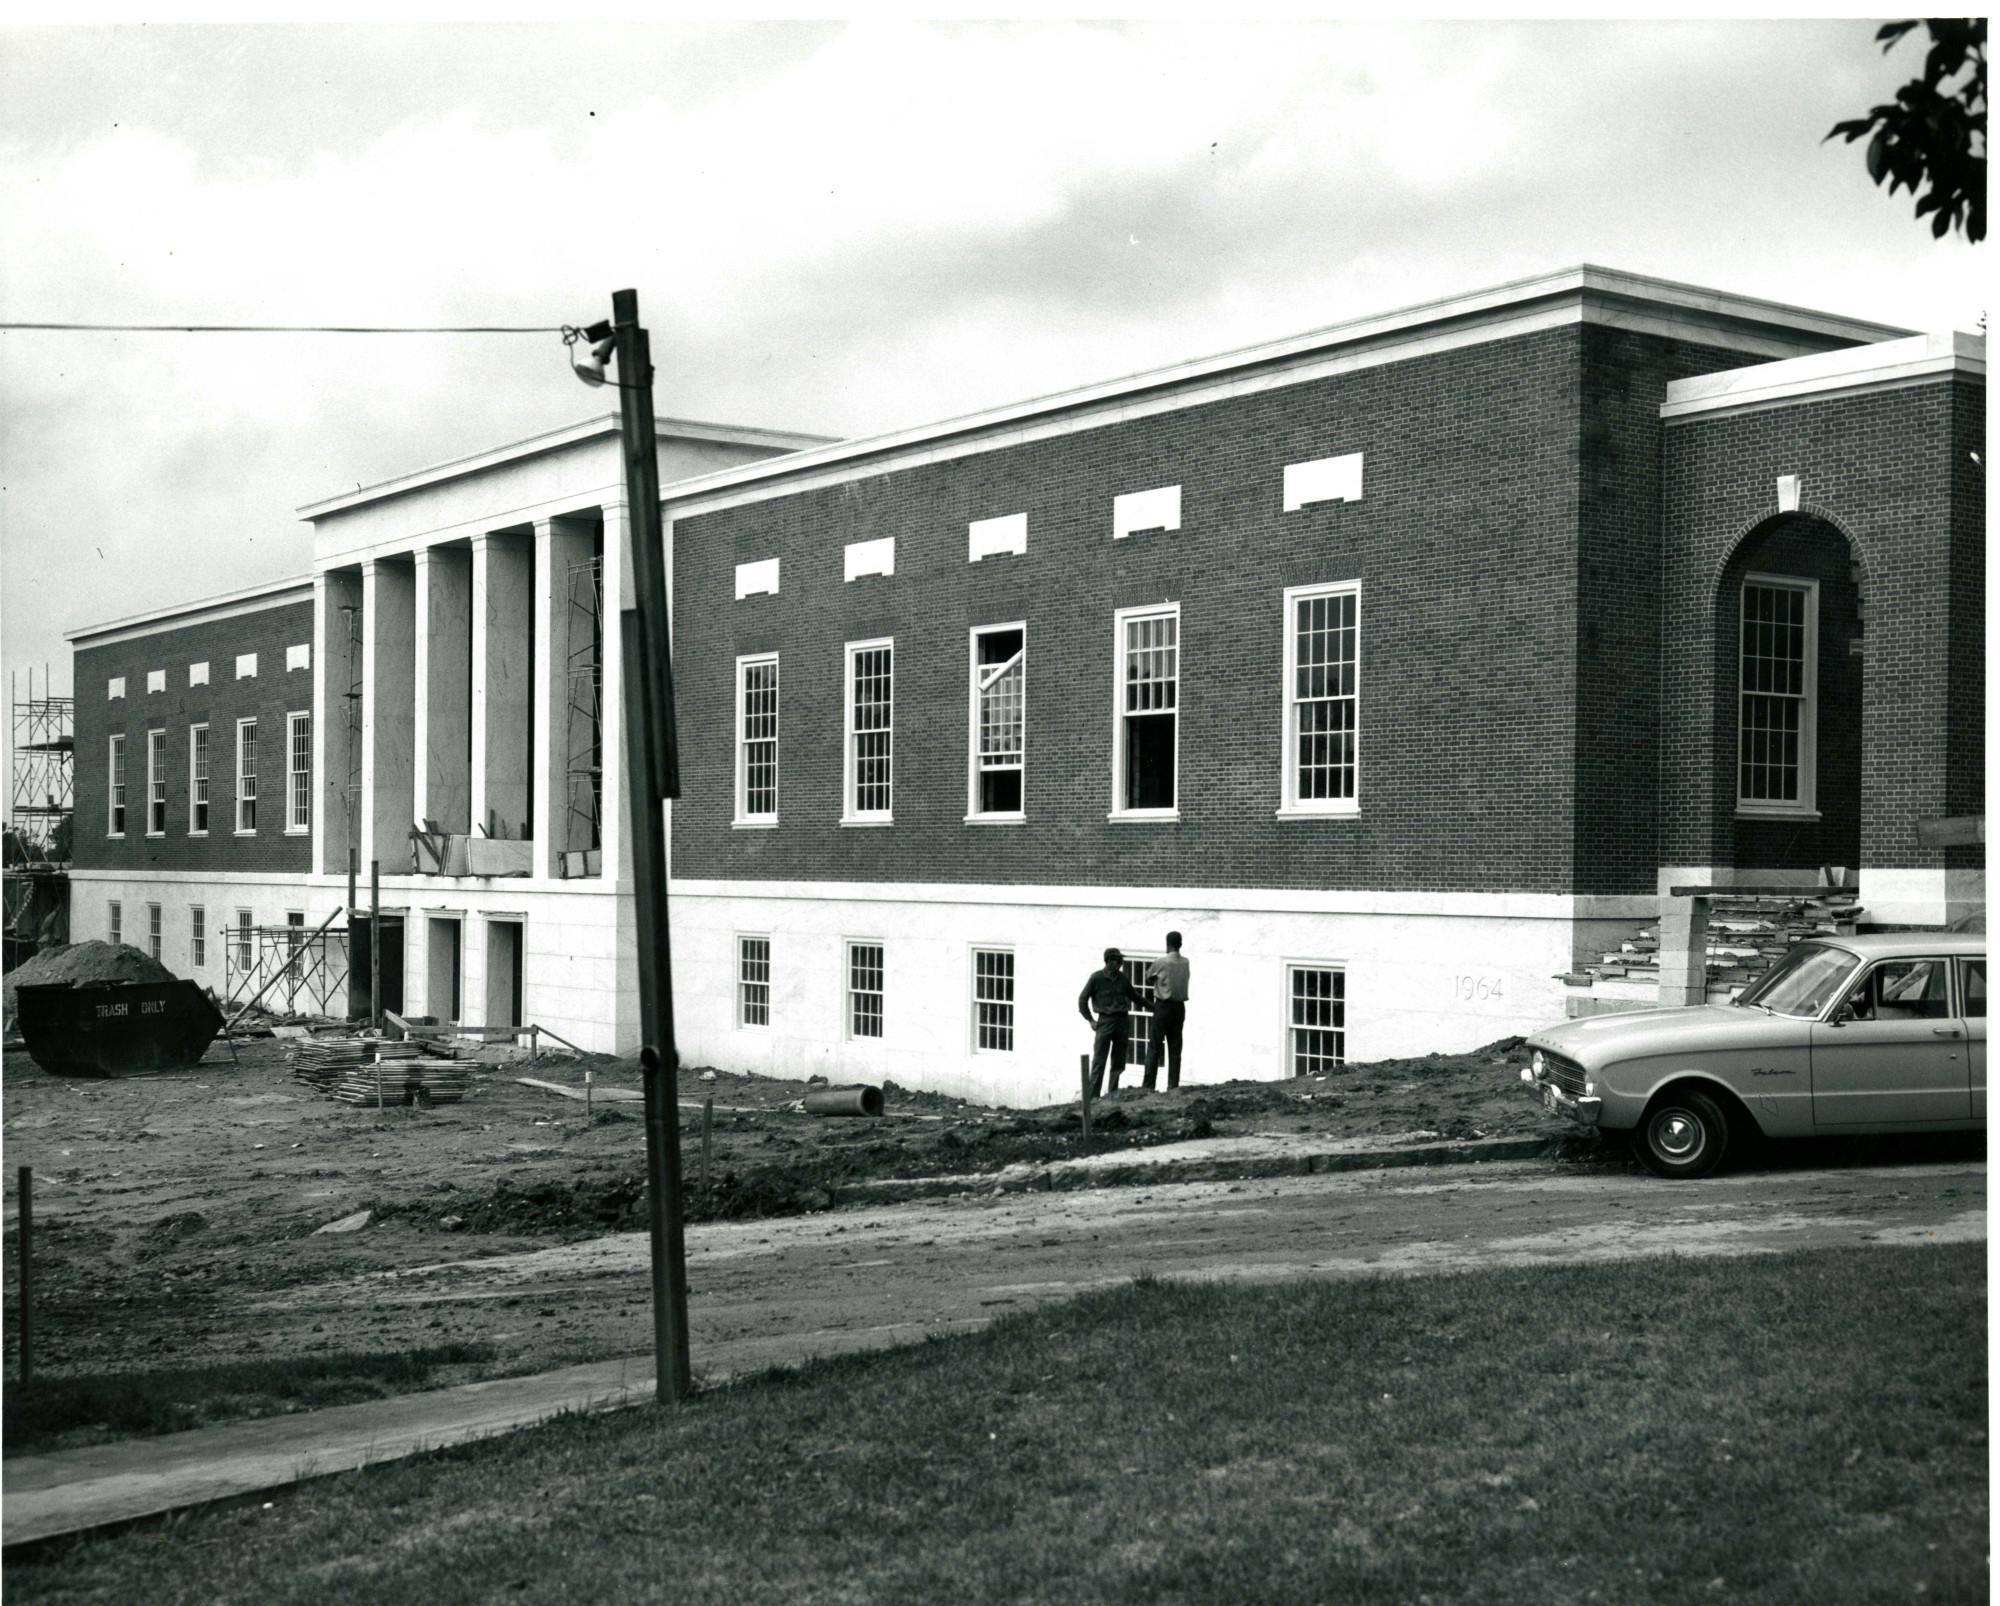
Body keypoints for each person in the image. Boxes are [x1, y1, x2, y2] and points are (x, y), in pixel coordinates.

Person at [1078, 946, 1136, 1098]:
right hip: (1105, 1022)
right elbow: (1082, 1000)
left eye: (1121, 960)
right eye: (1118, 960)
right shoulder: (1096, 978)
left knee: (1118, 1061)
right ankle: (1093, 1097)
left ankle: (1112, 1095)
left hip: (1122, 1022)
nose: (1121, 963)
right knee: (1099, 1061)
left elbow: (1134, 996)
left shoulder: (1123, 978)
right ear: (1109, 961)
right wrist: (1090, 1020)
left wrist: (1152, 1007)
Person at [1143, 931, 1191, 1090]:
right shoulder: (1185, 962)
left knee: (1154, 1047)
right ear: (1180, 944)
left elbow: (1148, 977)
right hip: (1179, 1008)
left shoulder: (1160, 962)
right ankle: (1173, 1086)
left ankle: (1149, 1086)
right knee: (1175, 1048)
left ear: (1167, 944)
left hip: (1163, 1006)